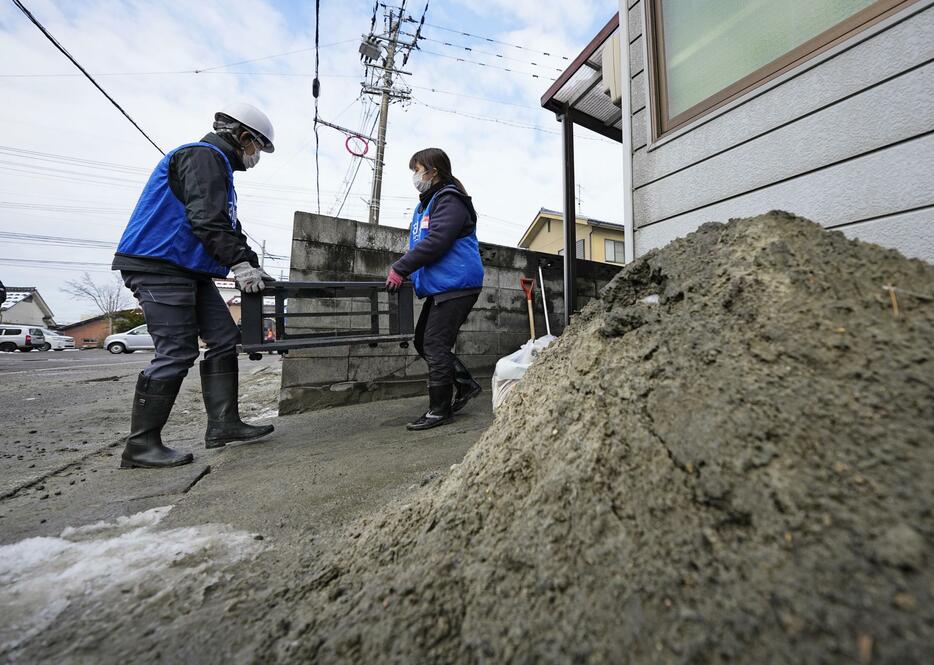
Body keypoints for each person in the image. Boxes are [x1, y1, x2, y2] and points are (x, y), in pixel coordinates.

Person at [111, 102, 277, 469]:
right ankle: (140, 446)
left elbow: (226, 226)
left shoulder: (215, 166)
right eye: (257, 148)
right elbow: (207, 221)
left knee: (223, 338)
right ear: (243, 137)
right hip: (160, 265)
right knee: (177, 351)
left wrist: (250, 263)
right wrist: (238, 263)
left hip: (188, 270)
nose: (255, 157)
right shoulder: (202, 156)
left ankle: (223, 425)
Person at [386, 148, 484, 430]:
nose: (415, 176)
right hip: (443, 286)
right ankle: (465, 385)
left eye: (417, 170)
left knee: (434, 344)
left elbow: (437, 241)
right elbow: (423, 245)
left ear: (433, 171)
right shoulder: (427, 204)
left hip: (458, 284)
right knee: (422, 341)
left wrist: (401, 267)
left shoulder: (450, 199)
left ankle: (439, 410)